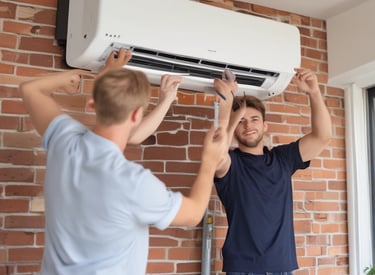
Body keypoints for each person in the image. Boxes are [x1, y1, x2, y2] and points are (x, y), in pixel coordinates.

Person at [20, 48, 230, 275]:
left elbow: (30, 90)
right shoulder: (133, 182)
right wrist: (209, 161)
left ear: (92, 105)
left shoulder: (64, 140)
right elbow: (194, 214)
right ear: (136, 115)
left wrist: (82, 74)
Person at [213, 68, 332, 275]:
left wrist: (314, 92)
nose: (248, 125)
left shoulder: (282, 159)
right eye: (241, 121)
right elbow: (216, 150)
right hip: (243, 269)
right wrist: (229, 109)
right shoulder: (230, 163)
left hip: (282, 267)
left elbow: (322, 137)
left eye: (254, 119)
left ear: (265, 125)